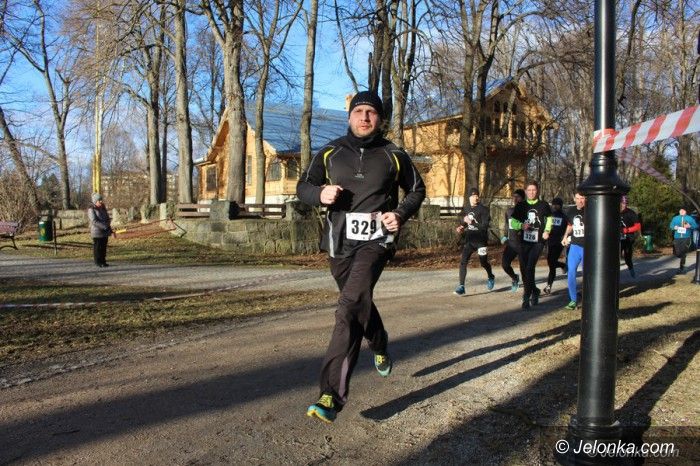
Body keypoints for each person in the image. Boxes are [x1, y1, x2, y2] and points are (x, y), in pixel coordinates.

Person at [297, 90, 426, 423]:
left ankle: (330, 395)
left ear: (379, 119)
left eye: (371, 112)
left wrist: (400, 214)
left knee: (347, 308)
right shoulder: (330, 152)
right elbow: (303, 186)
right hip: (339, 243)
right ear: (349, 116)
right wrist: (319, 193)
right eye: (359, 111)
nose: (365, 117)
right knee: (357, 303)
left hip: (377, 241)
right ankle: (380, 343)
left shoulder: (394, 154)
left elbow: (417, 189)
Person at [510, 181, 552, 309]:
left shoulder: (543, 205)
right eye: (529, 190)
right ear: (526, 191)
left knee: (529, 267)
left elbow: (549, 219)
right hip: (524, 242)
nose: (532, 192)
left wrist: (547, 231)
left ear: (537, 191)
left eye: (534, 190)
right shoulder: (521, 205)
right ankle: (535, 290)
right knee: (524, 269)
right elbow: (513, 222)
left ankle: (526, 296)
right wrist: (521, 225)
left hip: (538, 241)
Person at [454, 188, 495, 295]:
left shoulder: (484, 209)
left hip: (481, 241)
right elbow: (466, 222)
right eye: (473, 196)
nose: (475, 197)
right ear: (469, 197)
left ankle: (491, 276)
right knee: (463, 261)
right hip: (470, 240)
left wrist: (471, 222)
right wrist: (461, 227)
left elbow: (484, 226)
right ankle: (461, 286)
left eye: (477, 195)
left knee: (483, 262)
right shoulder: (467, 208)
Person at [561, 191, 586, 310]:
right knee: (571, 272)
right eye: (578, 198)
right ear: (574, 199)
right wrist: (565, 236)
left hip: (588, 247)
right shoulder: (570, 211)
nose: (580, 201)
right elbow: (570, 225)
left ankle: (587, 296)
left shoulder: (591, 210)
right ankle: (573, 300)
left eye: (582, 198)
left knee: (587, 273)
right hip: (575, 246)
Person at [500, 189, 525, 292]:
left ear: (522, 198)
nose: (515, 199)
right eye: (513, 197)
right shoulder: (509, 211)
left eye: (517, 197)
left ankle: (527, 291)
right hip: (512, 243)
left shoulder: (526, 211)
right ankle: (514, 278)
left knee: (524, 268)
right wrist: (504, 236)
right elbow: (507, 225)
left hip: (523, 244)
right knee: (505, 264)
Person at [543, 197, 568, 295]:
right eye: (554, 204)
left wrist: (565, 238)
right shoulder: (550, 216)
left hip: (559, 243)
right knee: (550, 262)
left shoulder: (564, 217)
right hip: (550, 242)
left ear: (560, 206)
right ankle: (563, 265)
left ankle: (549, 286)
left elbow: (568, 229)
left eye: (557, 204)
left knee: (552, 263)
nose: (555, 206)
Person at [88, 192, 114, 268]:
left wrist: (109, 228)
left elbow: (107, 218)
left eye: (101, 200)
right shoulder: (91, 209)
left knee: (103, 247)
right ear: (95, 201)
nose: (101, 201)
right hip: (97, 232)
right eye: (99, 200)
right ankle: (98, 261)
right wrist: (104, 226)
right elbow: (94, 221)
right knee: (98, 248)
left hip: (105, 232)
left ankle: (103, 261)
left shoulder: (103, 208)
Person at [669, 206, 698, 274]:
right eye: (680, 210)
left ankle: (682, 267)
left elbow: (696, 226)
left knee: (683, 252)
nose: (681, 211)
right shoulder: (675, 218)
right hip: (677, 237)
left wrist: (690, 226)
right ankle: (682, 258)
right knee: (678, 253)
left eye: (683, 210)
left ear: (686, 211)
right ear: (679, 211)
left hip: (686, 237)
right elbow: (671, 226)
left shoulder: (689, 218)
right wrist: (674, 227)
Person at [620, 195, 641, 278]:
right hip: (617, 238)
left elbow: (638, 226)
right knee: (614, 257)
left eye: (625, 203)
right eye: (622, 203)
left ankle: (631, 268)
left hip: (628, 237)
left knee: (627, 257)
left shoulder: (631, 213)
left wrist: (627, 230)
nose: (624, 205)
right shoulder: (613, 211)